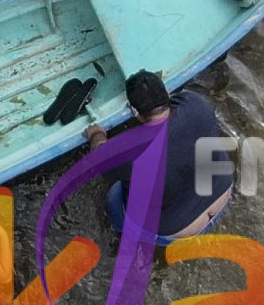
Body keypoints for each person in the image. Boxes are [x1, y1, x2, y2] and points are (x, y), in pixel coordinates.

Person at [86, 71, 234, 243]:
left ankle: (122, 232)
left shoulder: (127, 150)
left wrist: (96, 134)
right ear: (167, 93)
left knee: (114, 197)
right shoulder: (197, 103)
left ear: (135, 111)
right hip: (222, 195)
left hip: (179, 229)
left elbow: (99, 157)